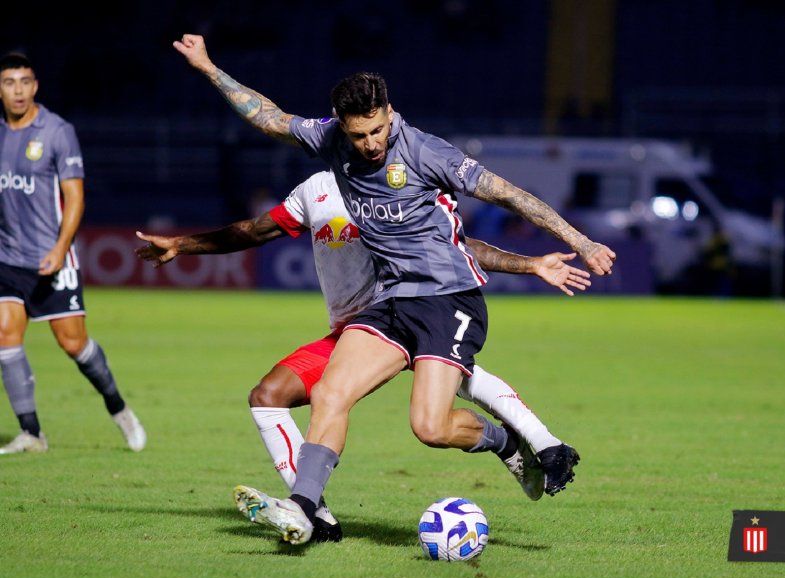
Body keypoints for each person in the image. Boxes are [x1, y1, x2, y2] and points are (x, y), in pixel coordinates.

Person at [174, 34, 615, 544]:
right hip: (388, 300)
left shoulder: (427, 152)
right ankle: (304, 508)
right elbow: (267, 116)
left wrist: (580, 242)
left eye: (379, 130)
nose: (372, 144)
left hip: (448, 300)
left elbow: (511, 195)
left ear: (390, 112)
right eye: (360, 135)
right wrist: (208, 66)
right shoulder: (331, 139)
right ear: (343, 125)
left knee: (429, 428)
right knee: (331, 393)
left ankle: (504, 442)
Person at [136, 170, 592, 541]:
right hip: (357, 329)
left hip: (412, 310)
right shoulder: (316, 191)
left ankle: (523, 442)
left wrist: (528, 263)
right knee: (268, 395)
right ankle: (312, 513)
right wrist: (183, 244)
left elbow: (456, 247)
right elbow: (254, 231)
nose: (364, 143)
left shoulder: (401, 183)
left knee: (442, 407)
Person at [0, 53, 145, 454]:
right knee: (6, 334)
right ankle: (31, 433)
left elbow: (75, 198)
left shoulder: (57, 132)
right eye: (9, 82)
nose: (17, 90)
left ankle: (118, 408)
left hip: (52, 258)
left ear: (35, 86)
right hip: (7, 259)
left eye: (24, 81)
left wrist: (60, 249)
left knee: (72, 344)